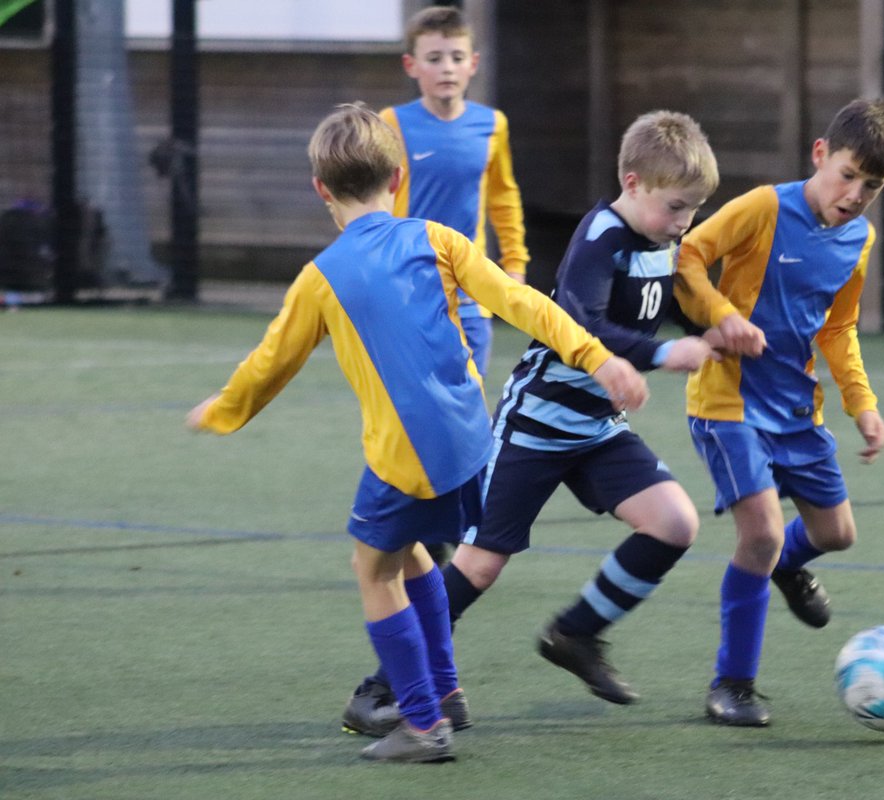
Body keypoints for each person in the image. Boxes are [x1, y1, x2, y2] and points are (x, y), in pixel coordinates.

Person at [186, 102, 647, 763]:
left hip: (409, 454)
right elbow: (523, 302)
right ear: (399, 179)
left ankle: (423, 723)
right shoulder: (438, 239)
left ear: (320, 189)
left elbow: (269, 366)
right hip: (470, 442)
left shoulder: (320, 279)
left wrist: (221, 411)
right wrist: (596, 356)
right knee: (416, 556)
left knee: (373, 568)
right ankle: (446, 692)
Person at [341, 110, 765, 733]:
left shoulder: (661, 240)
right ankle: (380, 688)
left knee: (674, 523)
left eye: (694, 211)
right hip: (537, 423)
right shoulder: (599, 238)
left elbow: (664, 301)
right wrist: (661, 353)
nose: (685, 224)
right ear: (633, 182)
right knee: (481, 563)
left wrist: (717, 324)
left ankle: (575, 634)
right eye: (677, 208)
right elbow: (584, 324)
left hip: (596, 427)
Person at [681, 97, 884, 726]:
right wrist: (723, 317)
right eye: (847, 174)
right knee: (759, 531)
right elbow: (687, 257)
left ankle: (782, 568)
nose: (855, 193)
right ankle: (731, 685)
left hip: (796, 410)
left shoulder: (859, 239)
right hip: (728, 401)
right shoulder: (763, 207)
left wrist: (862, 404)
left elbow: (839, 328)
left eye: (873, 185)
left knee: (837, 534)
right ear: (819, 154)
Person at [379, 5, 528, 380]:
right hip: (409, 286)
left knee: (468, 400)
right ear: (411, 65)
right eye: (434, 58)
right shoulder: (392, 123)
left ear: (472, 63)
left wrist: (514, 265)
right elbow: (377, 202)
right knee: (415, 401)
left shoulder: (492, 125)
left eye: (456, 57)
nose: (447, 67)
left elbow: (503, 199)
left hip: (470, 291)